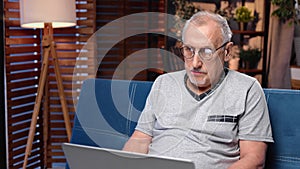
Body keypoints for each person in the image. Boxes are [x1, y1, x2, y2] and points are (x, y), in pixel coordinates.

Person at [123, 11, 273, 169]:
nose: (195, 63)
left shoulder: (247, 89)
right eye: (189, 50)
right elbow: (140, 139)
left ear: (227, 52)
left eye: (207, 52)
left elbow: (254, 159)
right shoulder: (163, 83)